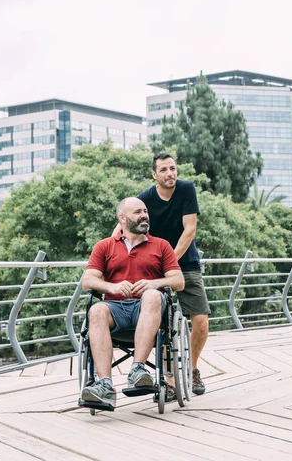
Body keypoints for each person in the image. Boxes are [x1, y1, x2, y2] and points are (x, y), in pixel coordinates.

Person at [112, 152, 210, 396]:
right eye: (164, 170)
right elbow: (122, 226)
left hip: (184, 263)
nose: (170, 174)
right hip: (155, 266)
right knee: (164, 324)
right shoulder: (145, 197)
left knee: (201, 323)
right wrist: (112, 248)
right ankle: (168, 379)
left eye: (173, 168)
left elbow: (189, 230)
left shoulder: (186, 190)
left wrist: (171, 262)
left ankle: (192, 369)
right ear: (154, 174)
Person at [81, 196, 184, 409]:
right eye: (138, 212)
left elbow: (178, 281)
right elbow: (88, 280)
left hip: (147, 308)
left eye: (145, 211)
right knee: (97, 309)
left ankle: (138, 370)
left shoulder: (162, 246)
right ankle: (105, 385)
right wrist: (112, 287)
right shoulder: (105, 246)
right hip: (115, 308)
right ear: (122, 218)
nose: (144, 215)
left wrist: (152, 284)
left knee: (153, 295)